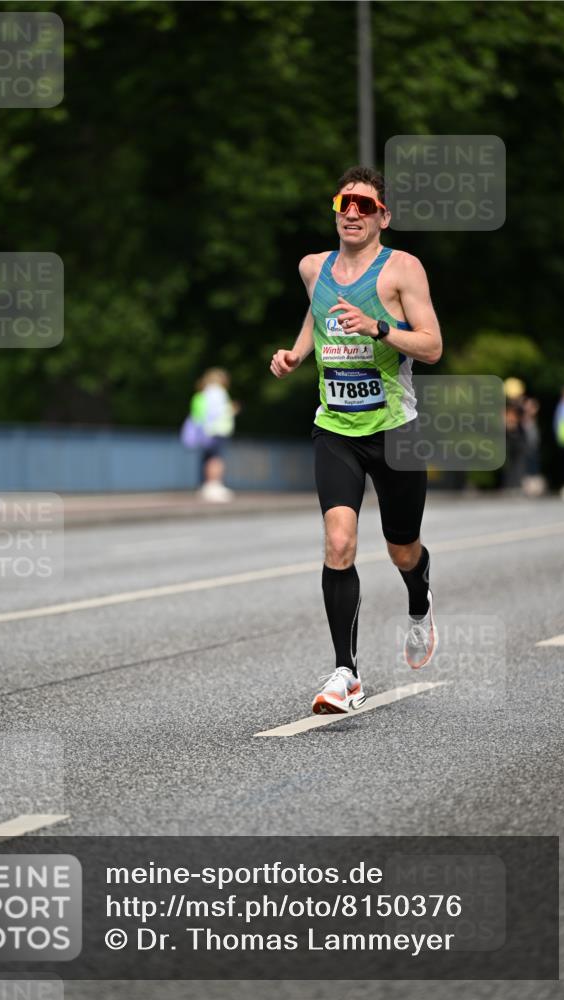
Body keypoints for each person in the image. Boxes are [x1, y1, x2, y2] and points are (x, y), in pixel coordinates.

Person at [270, 165, 443, 714]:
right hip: (336, 428)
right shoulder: (311, 267)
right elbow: (316, 313)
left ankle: (419, 598)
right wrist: (298, 353)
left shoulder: (402, 270)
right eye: (345, 202)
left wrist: (380, 328)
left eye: (364, 206)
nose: (352, 212)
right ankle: (345, 673)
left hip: (395, 430)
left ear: (382, 218)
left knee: (401, 546)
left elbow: (433, 347)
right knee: (339, 542)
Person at [190, 368, 239, 503]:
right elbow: (218, 411)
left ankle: (207, 485)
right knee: (216, 458)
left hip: (207, 430)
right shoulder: (218, 392)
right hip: (217, 430)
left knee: (208, 457)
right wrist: (232, 409)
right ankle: (214, 485)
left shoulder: (205, 392)